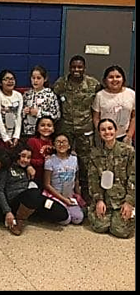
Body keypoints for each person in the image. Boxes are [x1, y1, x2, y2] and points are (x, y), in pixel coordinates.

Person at [52, 55, 101, 204]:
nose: (76, 70)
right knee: (63, 159)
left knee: (85, 161)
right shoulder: (61, 83)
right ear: (69, 68)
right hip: (65, 128)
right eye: (73, 67)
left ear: (84, 68)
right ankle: (65, 190)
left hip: (85, 129)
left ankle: (86, 191)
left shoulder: (93, 84)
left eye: (79, 67)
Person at [0, 142, 69, 235]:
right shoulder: (6, 168)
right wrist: (7, 211)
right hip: (15, 201)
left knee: (62, 213)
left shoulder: (26, 168)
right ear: (16, 155)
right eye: (23, 156)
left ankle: (32, 213)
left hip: (32, 200)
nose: (25, 160)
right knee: (33, 193)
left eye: (28, 157)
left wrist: (29, 166)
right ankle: (19, 220)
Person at [88, 118, 135, 239]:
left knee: (121, 232)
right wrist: (99, 200)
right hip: (105, 199)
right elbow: (93, 180)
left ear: (116, 130)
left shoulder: (128, 151)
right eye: (103, 130)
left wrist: (129, 202)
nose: (107, 132)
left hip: (123, 198)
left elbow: (133, 178)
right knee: (100, 226)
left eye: (110, 128)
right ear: (99, 133)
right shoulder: (95, 154)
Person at [43, 133, 84, 225]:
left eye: (64, 142)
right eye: (58, 142)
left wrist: (78, 195)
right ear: (54, 145)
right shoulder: (49, 161)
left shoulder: (74, 159)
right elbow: (47, 184)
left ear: (69, 145)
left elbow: (76, 179)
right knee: (66, 220)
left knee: (78, 219)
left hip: (69, 195)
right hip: (56, 195)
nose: (61, 144)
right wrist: (63, 199)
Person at [92, 65, 135, 145]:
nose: (114, 80)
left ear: (123, 79)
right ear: (105, 80)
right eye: (111, 77)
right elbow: (96, 117)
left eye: (118, 77)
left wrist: (129, 135)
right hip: (105, 137)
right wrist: (102, 133)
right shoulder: (100, 95)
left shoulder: (131, 94)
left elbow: (134, 116)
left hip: (124, 137)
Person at [22, 65, 61, 137]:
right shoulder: (27, 94)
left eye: (38, 78)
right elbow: (19, 114)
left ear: (45, 79)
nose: (35, 81)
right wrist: (24, 112)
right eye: (33, 78)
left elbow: (56, 115)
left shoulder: (49, 94)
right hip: (28, 132)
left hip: (43, 134)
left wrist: (39, 113)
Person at [0, 70, 23, 150]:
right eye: (6, 79)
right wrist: (5, 138)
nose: (10, 81)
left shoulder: (18, 95)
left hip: (14, 137)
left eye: (12, 79)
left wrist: (16, 136)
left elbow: (19, 116)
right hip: (1, 137)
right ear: (0, 83)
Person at [26, 116, 55, 187]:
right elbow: (26, 159)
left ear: (53, 129)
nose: (46, 128)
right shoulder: (32, 141)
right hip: (35, 176)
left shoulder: (55, 142)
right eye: (42, 125)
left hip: (53, 178)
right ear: (37, 128)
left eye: (49, 125)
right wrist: (28, 166)